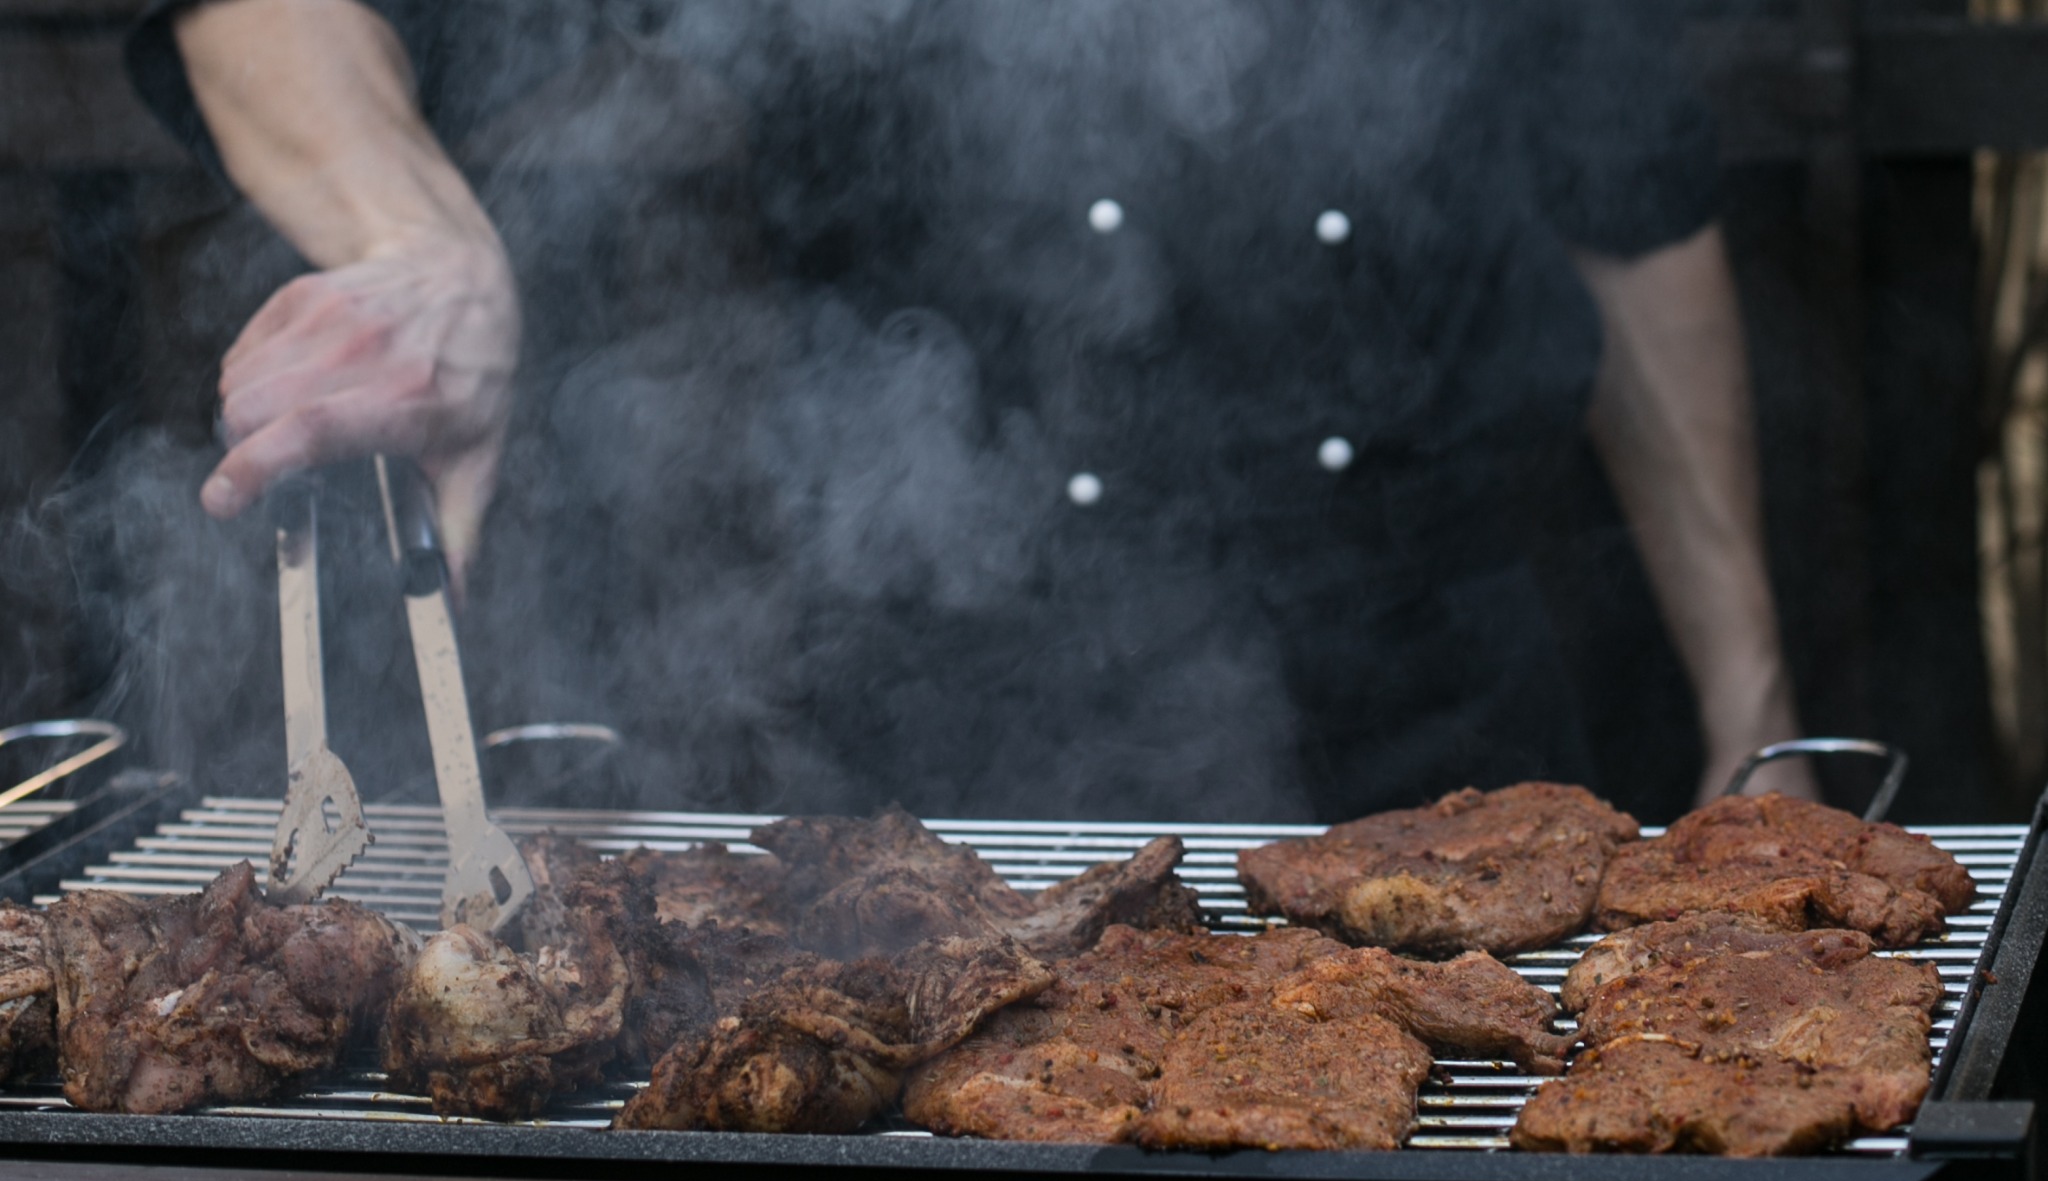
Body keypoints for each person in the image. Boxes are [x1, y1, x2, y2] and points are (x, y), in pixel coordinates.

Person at [123, 0, 1813, 821]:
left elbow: (1632, 197)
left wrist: (1755, 709)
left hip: (1450, 745)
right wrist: (421, 241)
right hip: (940, 779)